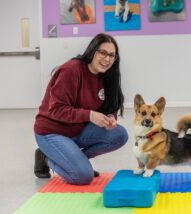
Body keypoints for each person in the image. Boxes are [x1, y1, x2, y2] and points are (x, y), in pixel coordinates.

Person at [33, 33, 128, 185]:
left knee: (120, 135)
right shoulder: (71, 70)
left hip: (77, 129)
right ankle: (46, 156)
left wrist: (110, 117)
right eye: (102, 53)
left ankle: (74, 159)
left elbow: (111, 105)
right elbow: (56, 110)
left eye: (112, 55)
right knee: (83, 176)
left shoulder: (107, 76)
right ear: (92, 50)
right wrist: (90, 115)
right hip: (51, 131)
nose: (107, 59)